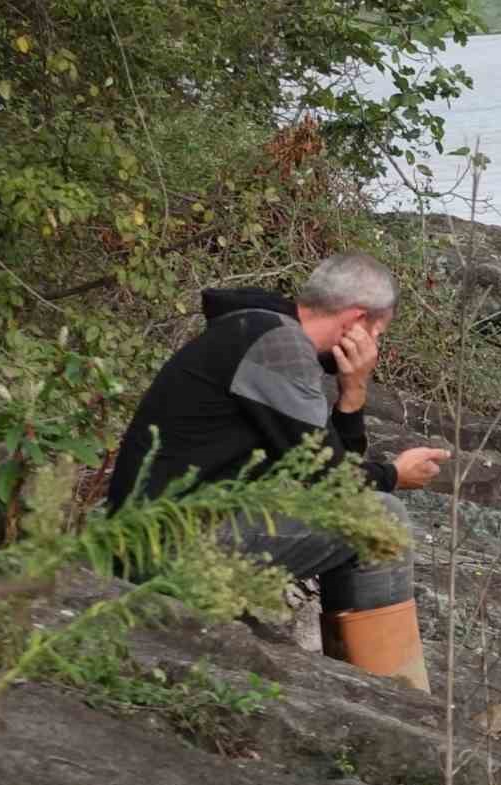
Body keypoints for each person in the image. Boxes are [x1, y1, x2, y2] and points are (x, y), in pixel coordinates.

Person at [106, 253, 451, 692]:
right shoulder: (278, 346)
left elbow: (323, 472)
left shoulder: (253, 331)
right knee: (381, 519)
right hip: (166, 550)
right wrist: (393, 475)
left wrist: (351, 398)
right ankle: (388, 692)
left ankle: (370, 686)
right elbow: (335, 485)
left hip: (157, 534)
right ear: (357, 320)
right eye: (377, 333)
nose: (374, 347)